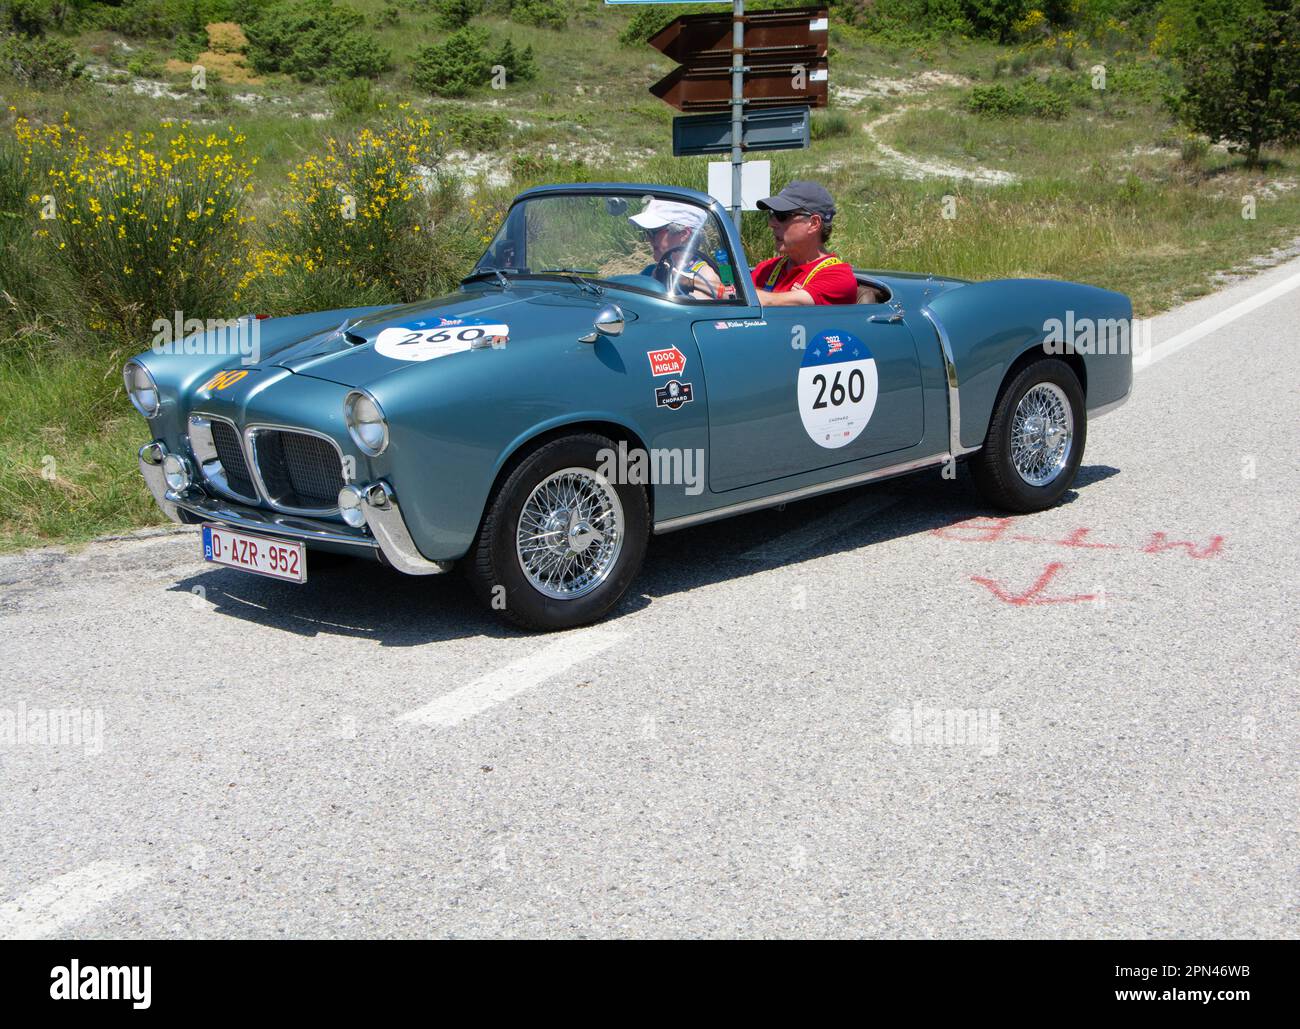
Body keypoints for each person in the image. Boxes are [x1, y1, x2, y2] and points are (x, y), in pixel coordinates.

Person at [751, 181, 857, 306]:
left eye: (782, 216)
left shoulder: (838, 277)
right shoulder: (767, 268)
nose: (771, 224)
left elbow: (771, 302)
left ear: (814, 223)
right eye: (772, 214)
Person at [628, 198, 724, 300]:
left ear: (683, 234)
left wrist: (684, 281)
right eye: (647, 232)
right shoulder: (650, 270)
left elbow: (691, 310)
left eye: (654, 232)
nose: (648, 238)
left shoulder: (705, 275)